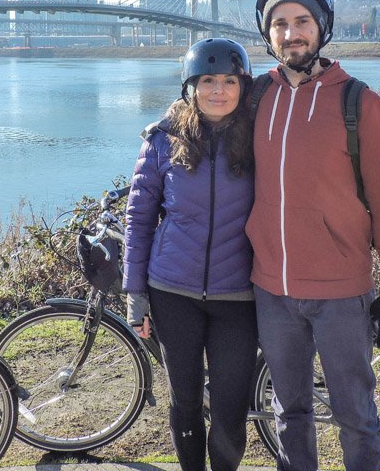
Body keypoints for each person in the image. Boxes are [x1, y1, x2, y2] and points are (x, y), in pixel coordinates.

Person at [245, 0, 380, 471]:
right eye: (279, 23)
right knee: (288, 411)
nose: (290, 33)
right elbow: (200, 112)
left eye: (301, 21)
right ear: (266, 31)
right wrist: (160, 131)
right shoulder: (255, 97)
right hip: (271, 290)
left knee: (356, 415)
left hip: (341, 292)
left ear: (322, 26)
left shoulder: (358, 102)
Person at [122, 37, 258, 471]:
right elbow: (139, 219)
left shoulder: (263, 139)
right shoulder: (164, 140)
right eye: (207, 81)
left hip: (239, 296)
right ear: (190, 86)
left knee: (230, 408)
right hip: (172, 292)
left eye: (228, 81)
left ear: (243, 85)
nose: (218, 90)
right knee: (183, 401)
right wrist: (134, 293)